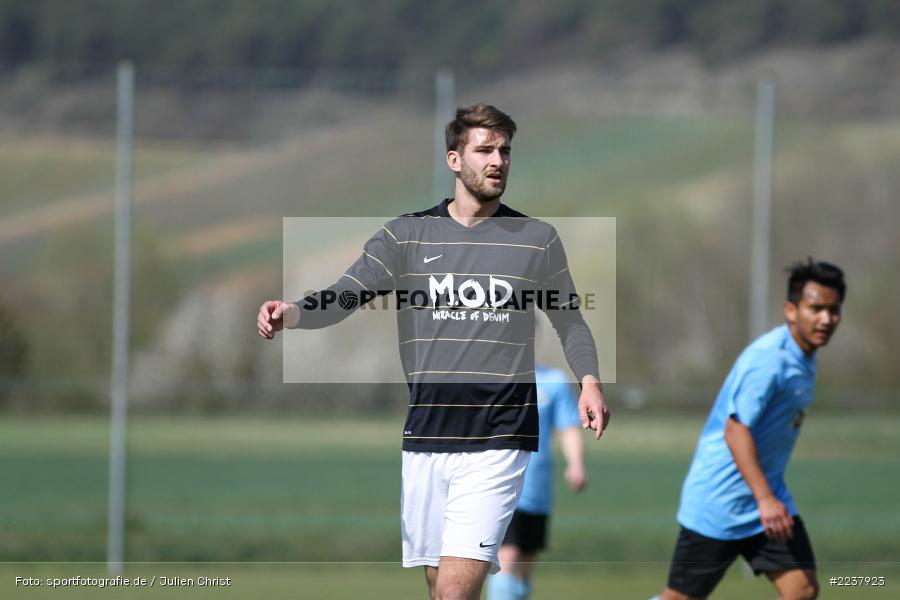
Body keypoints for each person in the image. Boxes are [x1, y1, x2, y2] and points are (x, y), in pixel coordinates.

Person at [257, 103, 610, 600]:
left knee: (453, 594)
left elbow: (570, 318)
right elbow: (346, 293)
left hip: (498, 437)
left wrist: (589, 381)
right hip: (426, 435)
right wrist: (291, 312)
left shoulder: (536, 240)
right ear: (453, 160)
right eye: (484, 150)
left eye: (505, 151)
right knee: (437, 587)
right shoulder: (405, 236)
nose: (497, 161)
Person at [655, 258, 846, 600]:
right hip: (721, 501)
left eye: (833, 310)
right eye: (816, 308)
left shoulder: (805, 354)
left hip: (764, 504)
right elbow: (735, 431)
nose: (826, 319)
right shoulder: (769, 360)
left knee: (801, 589)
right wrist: (766, 499)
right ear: (791, 310)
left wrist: (768, 498)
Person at [486, 363, 587, 600]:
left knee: (522, 573)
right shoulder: (490, 376)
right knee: (506, 561)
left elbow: (568, 427)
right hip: (502, 486)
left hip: (537, 490)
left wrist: (576, 463)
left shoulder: (554, 381)